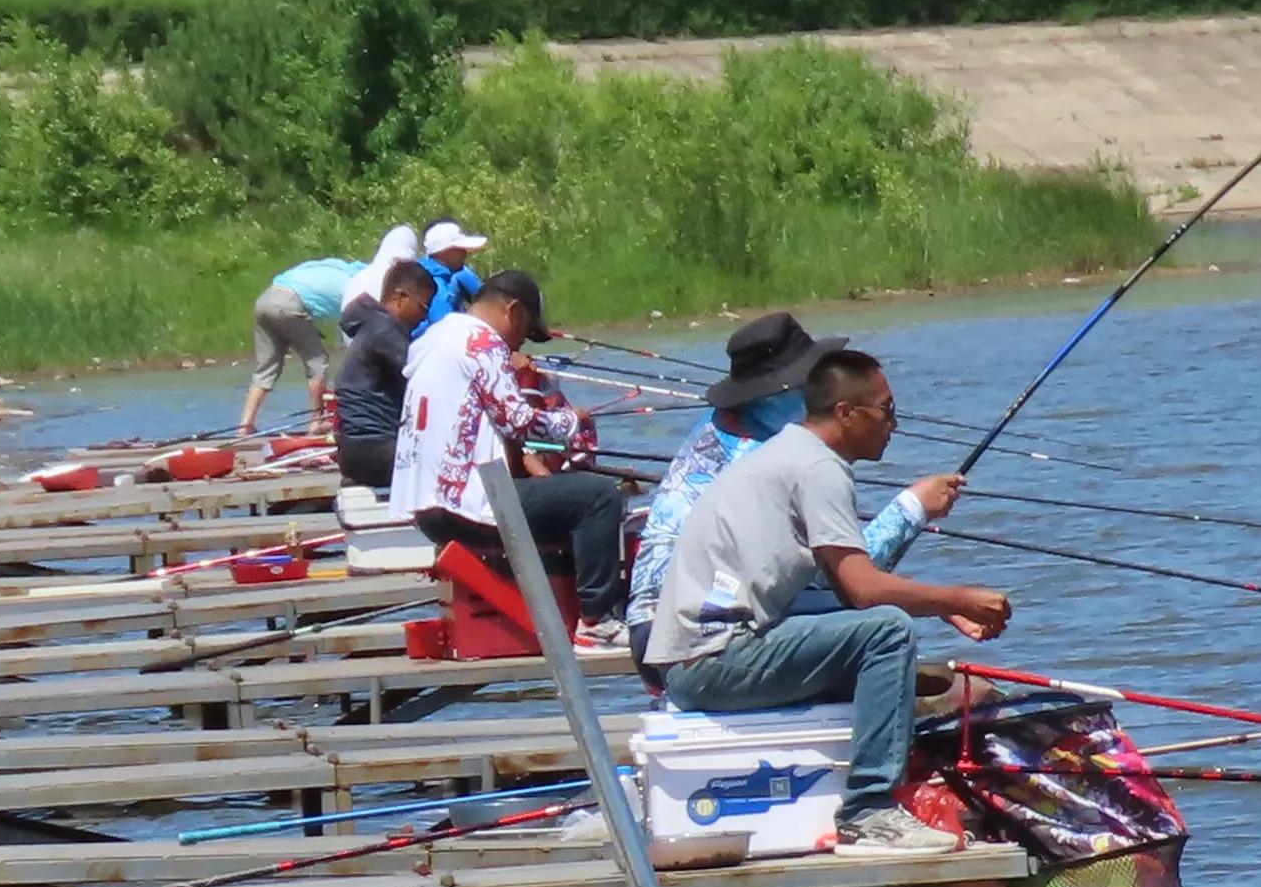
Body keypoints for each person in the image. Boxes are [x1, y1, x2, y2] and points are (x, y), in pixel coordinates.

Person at [645, 344, 1012, 857]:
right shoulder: (819, 468)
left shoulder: (790, 453)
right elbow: (861, 589)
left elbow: (832, 590)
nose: (894, 425)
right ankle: (868, 812)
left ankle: (878, 788)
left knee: (886, 648)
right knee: (888, 631)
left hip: (698, 658)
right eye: (886, 411)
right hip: (712, 660)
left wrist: (943, 607)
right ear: (845, 413)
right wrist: (961, 597)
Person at [627, 310, 955, 641]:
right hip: (693, 632)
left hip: (656, 625)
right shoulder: (782, 462)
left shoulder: (720, 427)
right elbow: (848, 580)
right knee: (885, 625)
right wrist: (913, 508)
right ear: (772, 397)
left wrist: (938, 602)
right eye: (811, 389)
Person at [395, 264, 625, 634]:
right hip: (466, 507)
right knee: (598, 497)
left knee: (564, 495)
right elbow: (520, 421)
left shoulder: (438, 338)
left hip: (426, 508)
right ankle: (598, 622)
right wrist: (571, 421)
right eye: (524, 331)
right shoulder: (481, 342)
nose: (518, 345)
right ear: (512, 311)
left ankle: (565, 600)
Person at [327, 257, 432, 491]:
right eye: (423, 307)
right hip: (375, 451)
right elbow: (425, 377)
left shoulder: (372, 326)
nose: (424, 316)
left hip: (355, 451)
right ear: (400, 297)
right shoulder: (386, 331)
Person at [239, 251, 369, 435]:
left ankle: (245, 425)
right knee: (317, 361)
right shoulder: (358, 284)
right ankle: (317, 421)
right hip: (290, 304)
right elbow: (351, 332)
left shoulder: (332, 266)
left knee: (265, 368)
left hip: (265, 300)